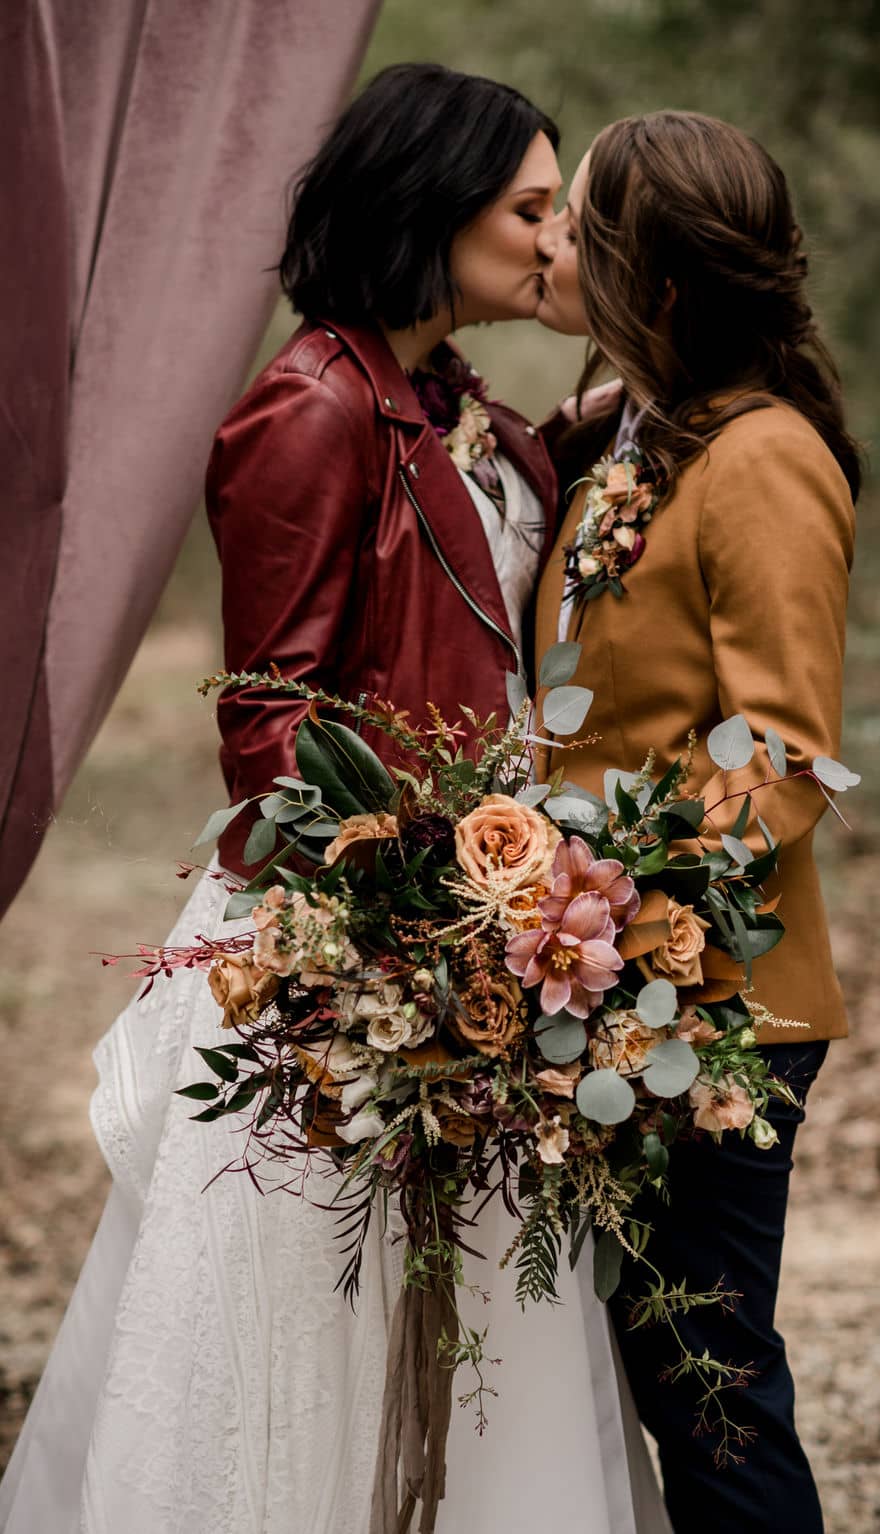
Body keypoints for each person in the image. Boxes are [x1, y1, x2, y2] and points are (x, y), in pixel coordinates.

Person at [0, 66, 664, 1534]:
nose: (556, 244)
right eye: (532, 211)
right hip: (355, 942)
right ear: (433, 210)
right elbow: (273, 720)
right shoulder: (308, 406)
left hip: (480, 928)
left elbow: (491, 544)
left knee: (487, 1334)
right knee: (304, 1332)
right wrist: (413, 914)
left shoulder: (443, 397)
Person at [533, 110, 861, 1534]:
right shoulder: (652, 434)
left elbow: (786, 751)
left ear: (656, 287)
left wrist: (603, 899)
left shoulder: (765, 458)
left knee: (712, 1387)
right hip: (623, 998)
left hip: (720, 1010)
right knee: (670, 1376)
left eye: (577, 227)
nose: (551, 247)